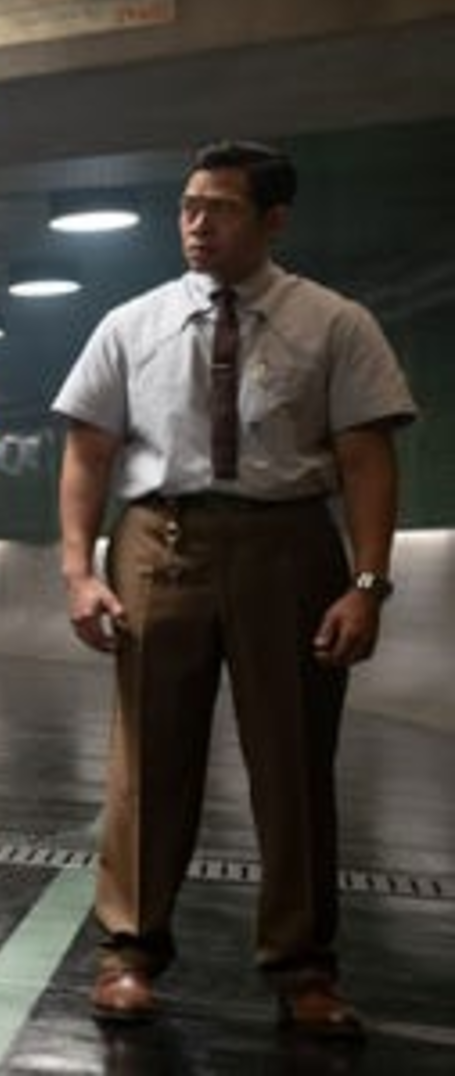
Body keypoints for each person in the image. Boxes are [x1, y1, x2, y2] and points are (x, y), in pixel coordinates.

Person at [54, 140, 414, 1039]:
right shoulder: (130, 323)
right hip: (158, 540)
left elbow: (368, 458)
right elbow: (87, 452)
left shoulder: (334, 323)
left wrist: (367, 584)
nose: (197, 224)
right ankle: (129, 953)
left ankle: (303, 970)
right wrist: (79, 570)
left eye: (220, 208)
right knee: (148, 759)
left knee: (293, 763)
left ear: (273, 220)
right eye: (188, 207)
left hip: (287, 546)